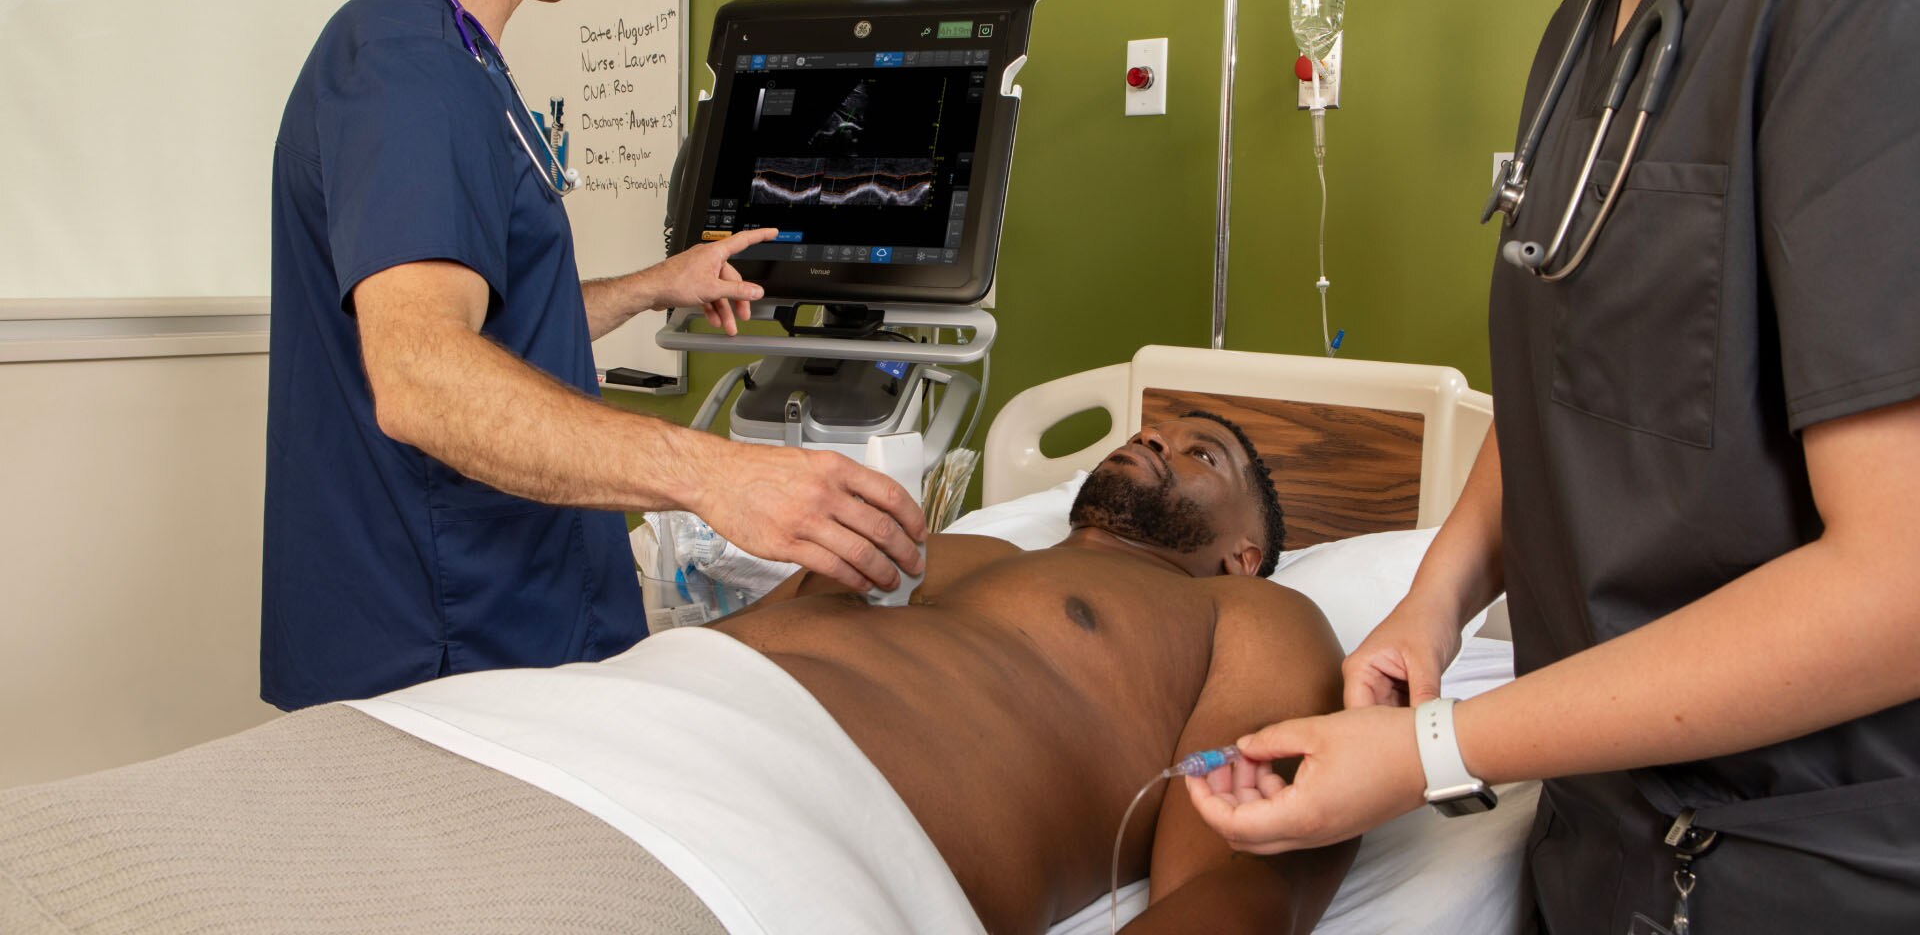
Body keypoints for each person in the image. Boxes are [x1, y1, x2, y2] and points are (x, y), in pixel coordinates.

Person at [1189, 0, 1920, 931]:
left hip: (1795, 853)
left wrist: (1434, 750)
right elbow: (1572, 379)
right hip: (1603, 832)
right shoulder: (1591, 23)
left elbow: (1899, 584)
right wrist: (1435, 603)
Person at [1, 414, 1357, 934]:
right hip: (535, 728)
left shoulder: (1258, 618)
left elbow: (1243, 874)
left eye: (1202, 456)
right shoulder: (948, 546)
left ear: (1244, 549)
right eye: (1150, 431)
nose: (1151, 444)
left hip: (765, 837)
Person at [264, 0, 924, 711]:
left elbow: (491, 327)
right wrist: (719, 476)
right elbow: (423, 375)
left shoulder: (444, 57)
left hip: (497, 626)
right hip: (451, 653)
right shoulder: (410, 72)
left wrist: (653, 287)